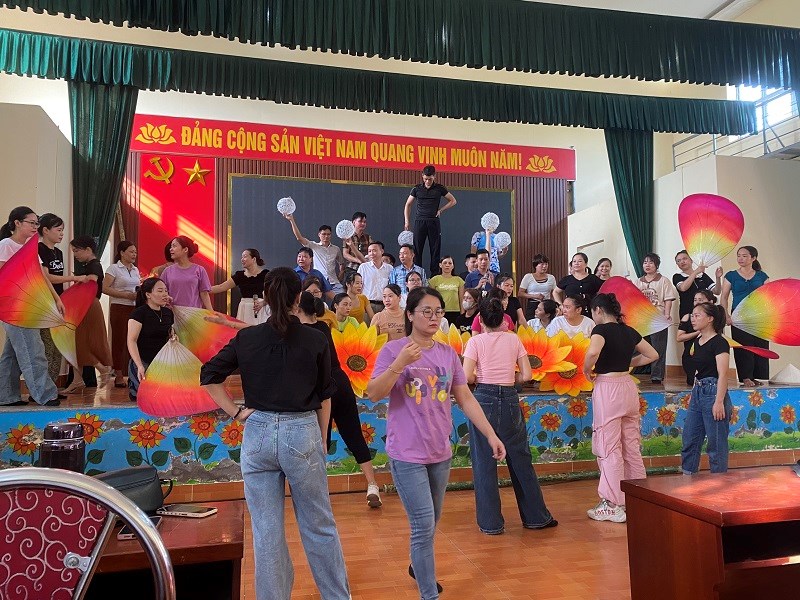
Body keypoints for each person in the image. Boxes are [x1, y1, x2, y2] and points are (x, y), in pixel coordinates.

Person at [200, 267, 351, 600]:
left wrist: (236, 412)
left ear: (265, 298)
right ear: (299, 297)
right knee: (319, 525)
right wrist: (321, 439)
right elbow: (326, 394)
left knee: (266, 532)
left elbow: (209, 375)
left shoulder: (247, 338)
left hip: (258, 433)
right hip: (303, 432)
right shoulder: (316, 338)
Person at [367, 287, 505, 599]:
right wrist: (400, 362)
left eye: (438, 311)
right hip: (406, 454)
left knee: (432, 520)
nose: (433, 317)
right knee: (422, 524)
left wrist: (490, 434)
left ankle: (417, 566)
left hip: (440, 452)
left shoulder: (447, 354)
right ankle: (429, 593)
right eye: (426, 311)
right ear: (410, 314)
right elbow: (373, 393)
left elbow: (465, 397)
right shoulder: (394, 350)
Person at [463, 297, 557, 535]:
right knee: (521, 459)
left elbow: (466, 377)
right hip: (510, 398)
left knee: (484, 462)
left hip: (483, 399)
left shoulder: (475, 342)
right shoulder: (513, 339)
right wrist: (509, 379)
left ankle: (491, 524)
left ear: (480, 319)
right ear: (503, 319)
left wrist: (480, 377)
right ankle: (536, 517)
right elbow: (526, 375)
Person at [296, 291, 383, 507]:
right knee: (354, 434)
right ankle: (372, 484)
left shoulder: (300, 332)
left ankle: (318, 492)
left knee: (320, 440)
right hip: (341, 383)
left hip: (322, 388)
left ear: (297, 308)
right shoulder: (323, 327)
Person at [583, 293, 658, 523]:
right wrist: (628, 363)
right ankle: (638, 498)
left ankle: (612, 503)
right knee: (631, 445)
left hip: (608, 388)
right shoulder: (629, 331)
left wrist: (586, 369)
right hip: (628, 387)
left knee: (609, 446)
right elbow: (653, 354)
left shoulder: (600, 330)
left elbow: (593, 352)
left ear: (598, 310)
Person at [0, 207, 62, 407]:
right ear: (17, 223)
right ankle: (45, 394)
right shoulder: (6, 245)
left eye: (37, 223)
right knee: (33, 349)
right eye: (32, 223)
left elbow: (41, 276)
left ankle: (6, 396)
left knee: (12, 354)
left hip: (28, 305)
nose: (36, 227)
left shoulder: (29, 247)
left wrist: (55, 299)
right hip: (14, 307)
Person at [680, 302, 733, 475]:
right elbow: (699, 370)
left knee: (716, 444)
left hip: (713, 391)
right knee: (690, 438)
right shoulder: (697, 341)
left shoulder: (719, 342)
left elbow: (723, 374)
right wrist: (694, 391)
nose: (693, 319)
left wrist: (719, 402)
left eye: (697, 316)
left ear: (710, 319)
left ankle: (719, 480)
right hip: (698, 391)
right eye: (692, 315)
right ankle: (688, 476)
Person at [38, 213, 86, 386]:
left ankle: (52, 386)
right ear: (45, 230)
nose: (62, 234)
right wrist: (73, 278)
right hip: (46, 303)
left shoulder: (58, 252)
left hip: (59, 302)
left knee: (58, 346)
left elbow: (58, 278)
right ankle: (42, 388)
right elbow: (46, 277)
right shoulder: (39, 249)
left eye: (63, 230)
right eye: (58, 230)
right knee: (47, 345)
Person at [62, 235, 113, 394]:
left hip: (88, 305)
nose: (75, 254)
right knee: (78, 342)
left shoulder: (94, 266)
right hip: (87, 305)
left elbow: (91, 283)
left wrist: (76, 283)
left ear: (88, 250)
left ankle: (101, 369)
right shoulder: (90, 265)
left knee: (79, 342)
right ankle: (78, 380)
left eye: (77, 250)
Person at [720, 246, 769, 387]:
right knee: (743, 345)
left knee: (760, 345)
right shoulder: (731, 275)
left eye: (744, 256)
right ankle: (746, 377)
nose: (740, 259)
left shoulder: (762, 276)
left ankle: (758, 376)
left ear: (753, 258)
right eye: (739, 256)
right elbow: (724, 297)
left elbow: (769, 296)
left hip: (759, 315)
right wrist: (726, 315)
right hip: (739, 316)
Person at [126, 277, 174, 402]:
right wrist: (139, 366)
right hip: (143, 361)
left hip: (162, 363)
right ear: (148, 295)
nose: (164, 294)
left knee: (166, 396)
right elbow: (131, 341)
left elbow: (171, 335)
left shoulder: (168, 313)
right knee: (146, 397)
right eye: (160, 291)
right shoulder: (139, 314)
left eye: (166, 291)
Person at [404, 165, 457, 275]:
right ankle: (417, 274)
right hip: (420, 221)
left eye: (430, 179)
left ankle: (434, 275)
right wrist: (407, 221)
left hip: (433, 221)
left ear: (434, 176)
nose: (428, 181)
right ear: (422, 176)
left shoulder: (439, 188)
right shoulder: (417, 189)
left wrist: (441, 210)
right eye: (426, 179)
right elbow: (408, 204)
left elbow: (453, 201)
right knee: (417, 249)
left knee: (435, 249)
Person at [633, 253, 676, 385]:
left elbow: (668, 299)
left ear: (656, 265)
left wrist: (667, 314)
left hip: (658, 318)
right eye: (645, 262)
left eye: (651, 262)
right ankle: (629, 370)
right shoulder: (638, 281)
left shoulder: (664, 281)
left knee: (659, 347)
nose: (647, 265)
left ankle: (657, 376)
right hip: (641, 319)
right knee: (637, 346)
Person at [103, 241, 141, 387]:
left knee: (133, 340)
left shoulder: (135, 269)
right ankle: (118, 373)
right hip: (119, 307)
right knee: (119, 341)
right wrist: (125, 295)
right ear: (122, 253)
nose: (134, 254)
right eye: (131, 251)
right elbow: (105, 288)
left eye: (135, 252)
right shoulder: (114, 268)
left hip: (134, 308)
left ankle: (133, 373)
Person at [285, 214, 345, 293]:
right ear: (319, 235)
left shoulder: (336, 249)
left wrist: (340, 276)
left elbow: (342, 263)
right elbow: (299, 238)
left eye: (328, 234)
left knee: (342, 298)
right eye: (324, 234)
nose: (326, 236)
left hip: (334, 282)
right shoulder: (313, 245)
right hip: (318, 282)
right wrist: (291, 220)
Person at [210, 248, 269, 324]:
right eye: (242, 257)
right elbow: (221, 287)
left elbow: (273, 293)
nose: (242, 259)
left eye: (245, 256)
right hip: (244, 309)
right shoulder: (240, 275)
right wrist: (202, 290)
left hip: (260, 308)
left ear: (254, 259)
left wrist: (263, 303)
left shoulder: (266, 274)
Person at [161, 236, 213, 309]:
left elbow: (204, 293)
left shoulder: (199, 270)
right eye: (171, 246)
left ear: (185, 249)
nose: (171, 249)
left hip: (193, 313)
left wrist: (211, 312)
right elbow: (161, 292)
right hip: (172, 312)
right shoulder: (167, 271)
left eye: (174, 246)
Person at [677, 290, 716, 386]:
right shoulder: (687, 317)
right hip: (691, 356)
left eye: (701, 300)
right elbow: (679, 337)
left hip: (709, 356)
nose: (697, 302)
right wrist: (697, 332)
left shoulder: (714, 319)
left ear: (710, 302)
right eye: (695, 300)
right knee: (693, 382)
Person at [673, 250, 720, 319]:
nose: (682, 262)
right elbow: (683, 288)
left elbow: (717, 291)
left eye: (684, 259)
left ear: (691, 260)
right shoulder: (677, 276)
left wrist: (718, 278)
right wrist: (695, 272)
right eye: (678, 261)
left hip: (704, 312)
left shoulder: (702, 275)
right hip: (687, 312)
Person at [357, 240, 392, 315]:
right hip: (367, 305)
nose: (371, 253)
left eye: (374, 250)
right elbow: (358, 286)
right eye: (369, 251)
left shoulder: (389, 268)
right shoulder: (363, 267)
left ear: (382, 251)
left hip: (384, 306)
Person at [428, 256, 465, 323]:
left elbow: (461, 299)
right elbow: (431, 298)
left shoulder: (459, 280)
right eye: (445, 263)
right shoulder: (434, 280)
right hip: (439, 311)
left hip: (455, 312)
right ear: (440, 265)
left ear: (453, 266)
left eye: (450, 263)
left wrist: (462, 314)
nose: (447, 265)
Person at [519, 254, 556, 320]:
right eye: (542, 264)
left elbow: (554, 293)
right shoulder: (528, 277)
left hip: (546, 305)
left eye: (546, 264)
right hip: (532, 305)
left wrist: (555, 305)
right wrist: (535, 296)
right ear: (535, 265)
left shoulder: (551, 277)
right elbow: (520, 293)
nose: (544, 266)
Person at [343, 211, 371, 277]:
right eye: (360, 221)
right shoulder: (348, 237)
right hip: (351, 268)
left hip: (365, 267)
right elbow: (345, 254)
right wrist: (358, 260)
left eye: (364, 222)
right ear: (353, 222)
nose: (363, 223)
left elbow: (371, 251)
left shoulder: (368, 237)